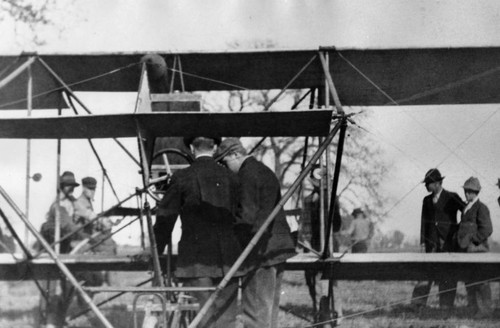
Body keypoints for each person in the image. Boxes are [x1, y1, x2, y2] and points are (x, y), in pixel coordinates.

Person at [153, 136, 243, 328]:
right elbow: (242, 216)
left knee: (202, 320)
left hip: (196, 262)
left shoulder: (182, 177)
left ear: (192, 149)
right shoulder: (233, 178)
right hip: (229, 261)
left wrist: (155, 251)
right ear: (216, 148)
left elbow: (165, 218)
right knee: (227, 320)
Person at [216, 138, 296, 328]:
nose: (224, 168)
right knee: (268, 314)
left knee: (255, 314)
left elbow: (247, 218)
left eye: (224, 162)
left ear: (235, 155)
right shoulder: (262, 170)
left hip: (259, 253)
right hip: (276, 250)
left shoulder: (247, 174)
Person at [411, 168, 465, 309]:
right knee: (425, 272)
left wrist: (458, 230)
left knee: (447, 274)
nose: (425, 186)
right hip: (431, 244)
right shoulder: (426, 200)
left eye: (427, 183)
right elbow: (424, 221)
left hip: (448, 244)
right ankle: (418, 304)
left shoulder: (452, 197)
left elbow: (466, 211)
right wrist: (423, 242)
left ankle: (446, 305)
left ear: (436, 183)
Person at [299, 164, 342, 316]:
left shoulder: (332, 198)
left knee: (330, 279)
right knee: (314, 280)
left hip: (329, 244)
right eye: (318, 178)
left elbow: (337, 225)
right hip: (313, 244)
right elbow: (305, 225)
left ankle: (336, 312)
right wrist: (307, 242)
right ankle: (321, 311)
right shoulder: (309, 200)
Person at [456, 177, 493, 318]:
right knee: (469, 280)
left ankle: (486, 310)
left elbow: (487, 229)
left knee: (482, 281)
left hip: (479, 251)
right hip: (466, 252)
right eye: (465, 191)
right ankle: (473, 308)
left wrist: (473, 241)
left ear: (476, 192)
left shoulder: (482, 208)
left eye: (470, 191)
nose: (466, 194)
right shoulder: (466, 208)